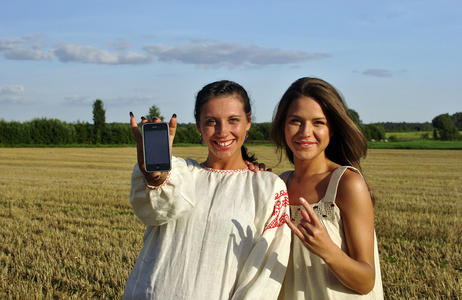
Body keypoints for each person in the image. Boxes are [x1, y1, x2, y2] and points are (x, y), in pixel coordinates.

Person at [123, 80, 291, 299]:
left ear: (248, 121)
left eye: (233, 120)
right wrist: (155, 178)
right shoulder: (179, 173)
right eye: (211, 121)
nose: (222, 132)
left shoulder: (267, 187)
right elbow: (153, 213)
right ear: (198, 126)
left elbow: (264, 273)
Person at [271, 77, 383, 299]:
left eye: (318, 122)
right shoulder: (278, 185)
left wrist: (327, 249)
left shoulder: (347, 184)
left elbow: (366, 281)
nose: (305, 131)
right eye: (295, 121)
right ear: (283, 125)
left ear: (332, 129)